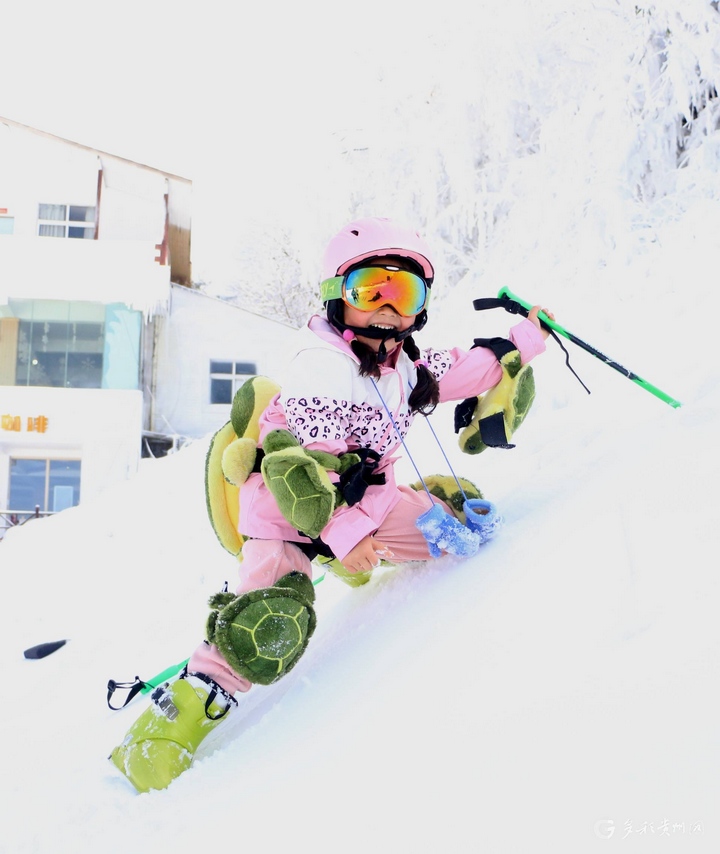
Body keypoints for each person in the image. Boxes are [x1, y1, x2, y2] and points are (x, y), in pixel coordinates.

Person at [110, 216, 554, 792]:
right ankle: (166, 727)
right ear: (337, 296)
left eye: (405, 293)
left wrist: (522, 341)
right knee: (270, 621)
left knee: (444, 535)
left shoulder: (400, 365)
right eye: (372, 290)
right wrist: (347, 539)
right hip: (286, 508)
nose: (388, 309)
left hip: (366, 501)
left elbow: (457, 371)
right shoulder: (321, 364)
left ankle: (402, 521)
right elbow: (309, 474)